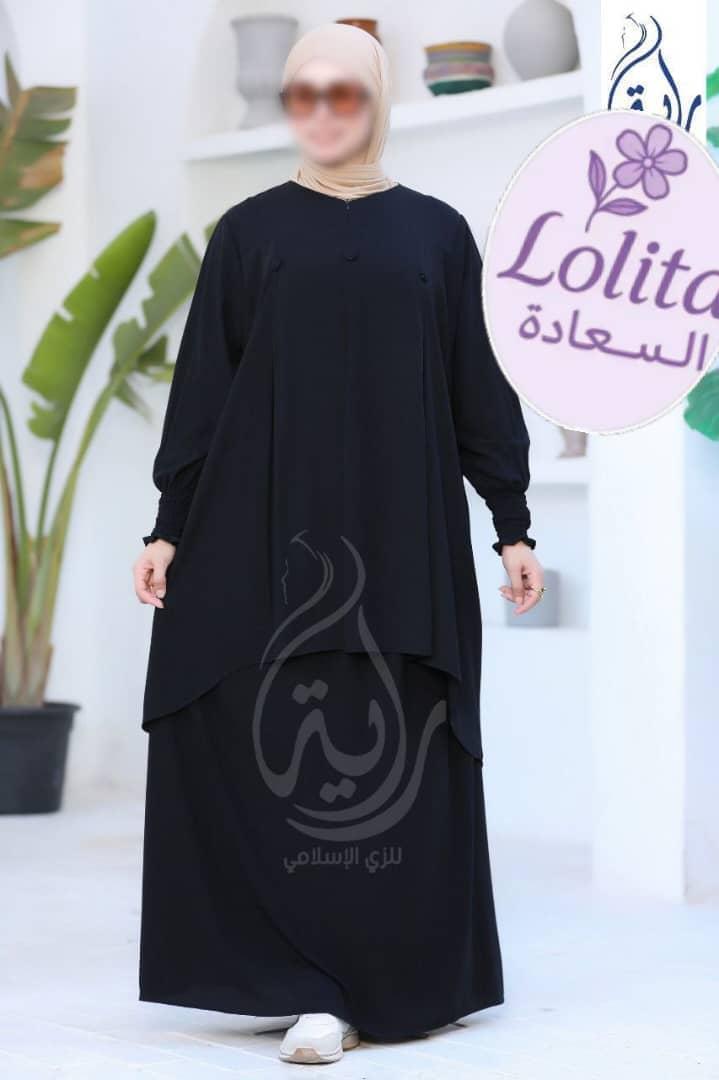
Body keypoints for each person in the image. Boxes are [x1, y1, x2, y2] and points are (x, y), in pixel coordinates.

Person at [134, 23, 544, 1067]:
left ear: (375, 101)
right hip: (264, 534)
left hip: (403, 541)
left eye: (342, 93)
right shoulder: (248, 233)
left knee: (399, 738)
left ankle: (388, 976)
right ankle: (301, 980)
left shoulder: (436, 235)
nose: (321, 112)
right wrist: (169, 527)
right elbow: (205, 389)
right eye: (302, 93)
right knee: (262, 733)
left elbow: (474, 387)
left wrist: (510, 523)